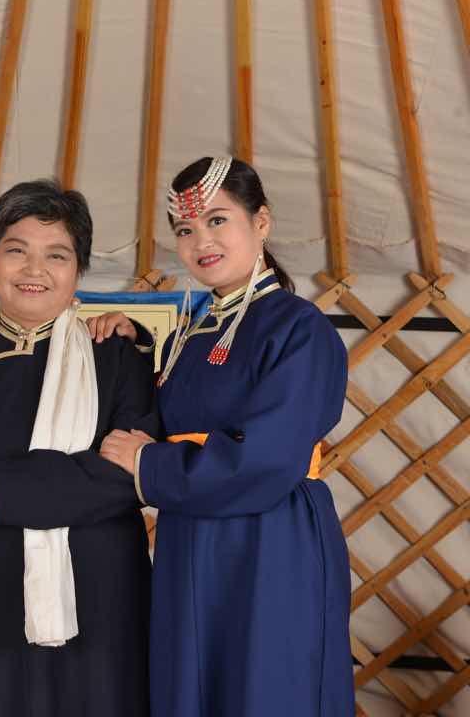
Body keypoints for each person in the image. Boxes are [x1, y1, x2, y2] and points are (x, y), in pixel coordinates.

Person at [97, 157, 353, 716]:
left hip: (269, 538)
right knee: (194, 687)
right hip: (190, 535)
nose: (201, 241)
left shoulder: (299, 327)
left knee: (262, 689)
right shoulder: (188, 335)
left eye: (217, 220)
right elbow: (175, 416)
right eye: (185, 229)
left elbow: (267, 458)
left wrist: (150, 464)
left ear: (261, 222)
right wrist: (132, 347)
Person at [0, 179, 159, 716]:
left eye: (56, 256)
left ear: (78, 270)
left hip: (97, 595)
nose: (34, 270)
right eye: (16, 250)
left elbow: (124, 476)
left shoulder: (116, 357)